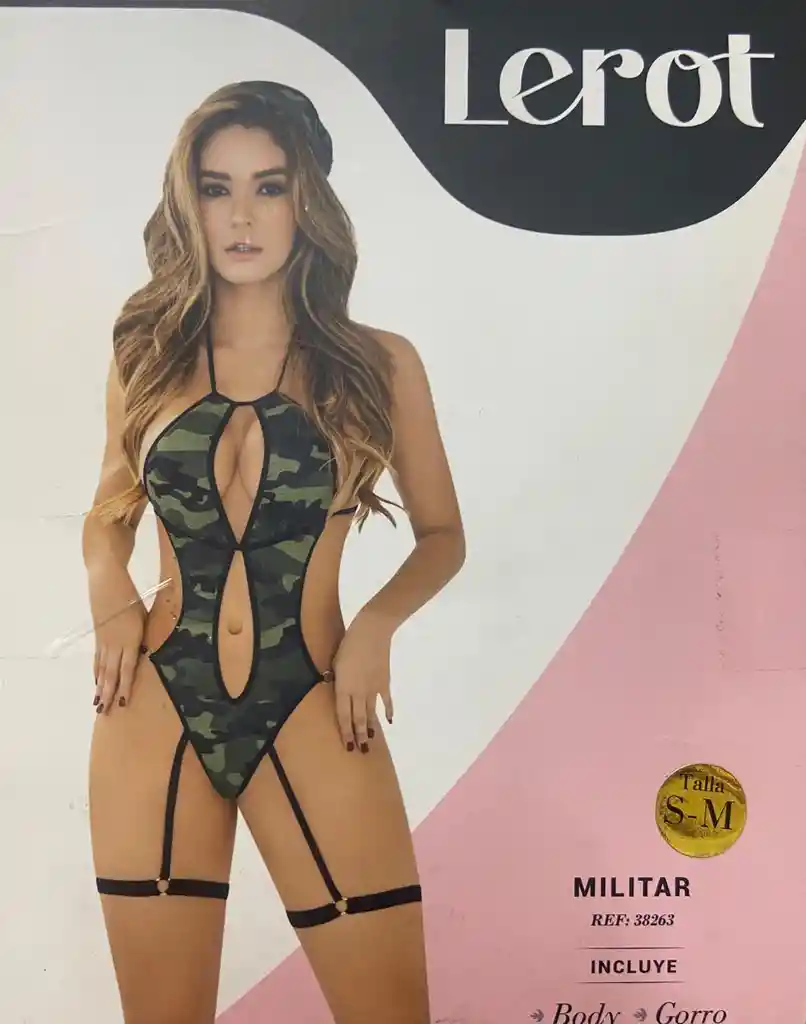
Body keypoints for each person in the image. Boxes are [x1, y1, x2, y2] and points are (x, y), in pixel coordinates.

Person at [81, 80, 465, 1024]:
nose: (242, 216)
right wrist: (107, 588)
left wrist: (374, 628)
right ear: (188, 203)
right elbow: (109, 511)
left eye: (270, 186)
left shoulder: (377, 363)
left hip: (317, 696)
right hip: (155, 704)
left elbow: (443, 536)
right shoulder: (146, 354)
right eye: (216, 189)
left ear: (309, 200)